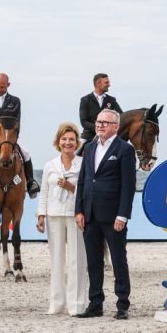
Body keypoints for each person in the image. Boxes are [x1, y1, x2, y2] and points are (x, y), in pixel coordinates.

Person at [74, 109, 135, 320]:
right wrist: (78, 210)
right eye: (98, 121)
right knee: (94, 261)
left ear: (115, 126)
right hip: (89, 214)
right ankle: (96, 304)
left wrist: (123, 215)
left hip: (113, 217)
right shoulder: (89, 147)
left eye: (105, 122)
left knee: (118, 260)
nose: (100, 125)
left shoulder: (125, 150)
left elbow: (128, 186)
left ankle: (123, 304)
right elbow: (83, 180)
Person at [36, 122, 87, 316]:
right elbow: (44, 192)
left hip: (75, 215)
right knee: (56, 260)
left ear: (77, 142)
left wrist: (69, 187)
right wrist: (41, 215)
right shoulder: (50, 165)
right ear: (58, 142)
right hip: (54, 216)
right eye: (64, 139)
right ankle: (56, 304)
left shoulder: (82, 165)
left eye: (71, 140)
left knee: (76, 260)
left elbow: (85, 192)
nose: (68, 143)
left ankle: (76, 304)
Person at [78, 73, 122, 153]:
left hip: (108, 135)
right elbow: (84, 122)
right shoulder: (85, 100)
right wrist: (99, 129)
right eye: (106, 82)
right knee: (75, 153)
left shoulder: (111, 100)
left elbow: (120, 117)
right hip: (89, 135)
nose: (109, 85)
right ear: (98, 83)